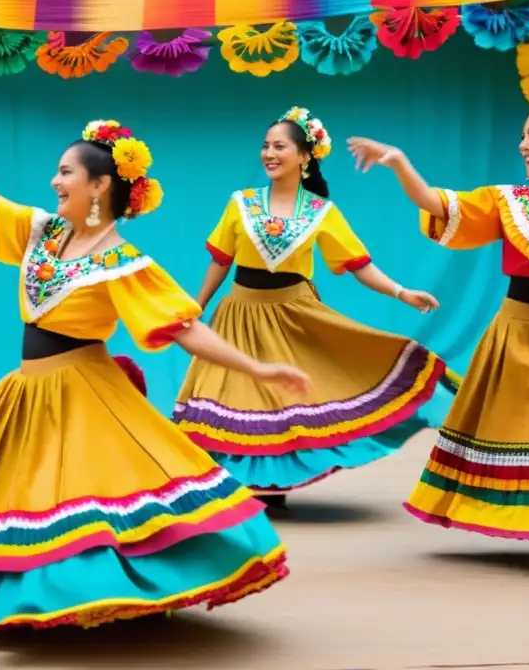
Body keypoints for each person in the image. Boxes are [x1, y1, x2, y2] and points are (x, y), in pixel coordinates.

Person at [0, 115, 311, 630]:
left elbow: (185, 329)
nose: (55, 182)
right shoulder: (42, 233)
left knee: (75, 503)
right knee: (2, 492)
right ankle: (30, 594)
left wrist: (257, 367)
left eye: (65, 173)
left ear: (100, 184)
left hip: (84, 391)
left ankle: (87, 596)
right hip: (28, 389)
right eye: (57, 173)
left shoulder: (123, 262)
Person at [349, 88, 529, 570]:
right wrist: (399, 162)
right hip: (521, 338)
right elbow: (439, 204)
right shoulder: (508, 202)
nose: (523, 145)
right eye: (522, 136)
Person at [172, 106, 449, 511]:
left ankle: (270, 485)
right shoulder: (242, 203)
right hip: (239, 314)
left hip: (292, 314)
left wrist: (401, 291)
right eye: (265, 146)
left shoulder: (321, 212)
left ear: (304, 156)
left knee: (284, 400)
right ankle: (237, 484)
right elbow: (221, 260)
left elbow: (359, 265)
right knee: (235, 396)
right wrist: (195, 306)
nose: (269, 153)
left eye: (279, 146)